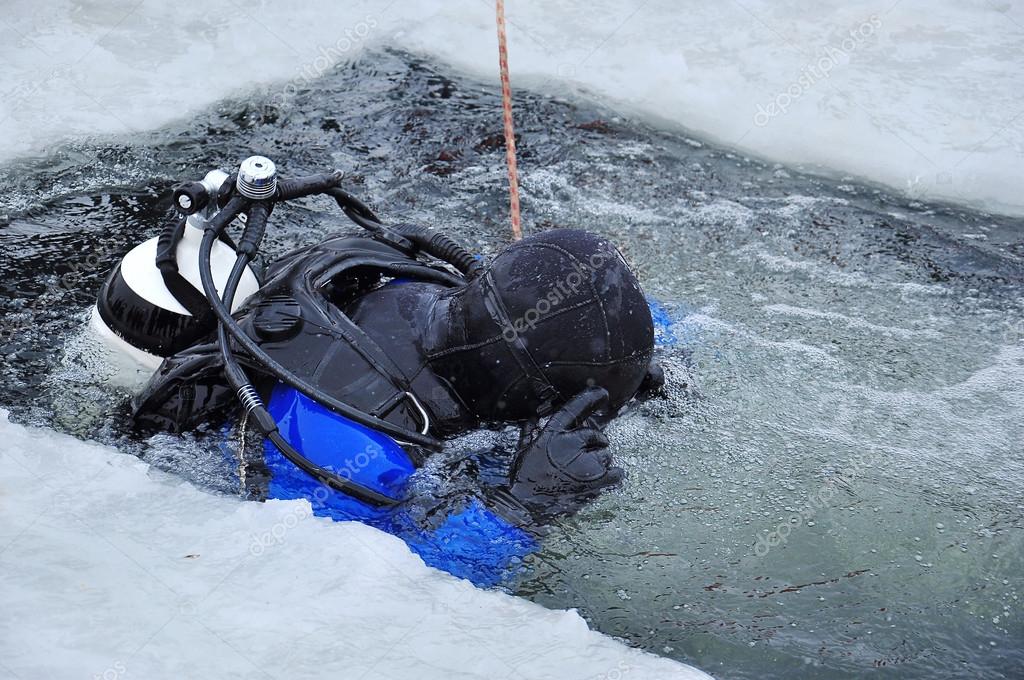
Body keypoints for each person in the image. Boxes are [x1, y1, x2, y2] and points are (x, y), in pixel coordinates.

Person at [132, 225, 660, 584]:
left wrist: (641, 372)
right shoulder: (351, 451)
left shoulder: (437, 294)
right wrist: (522, 509)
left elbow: (592, 309)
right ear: (530, 389)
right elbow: (383, 591)